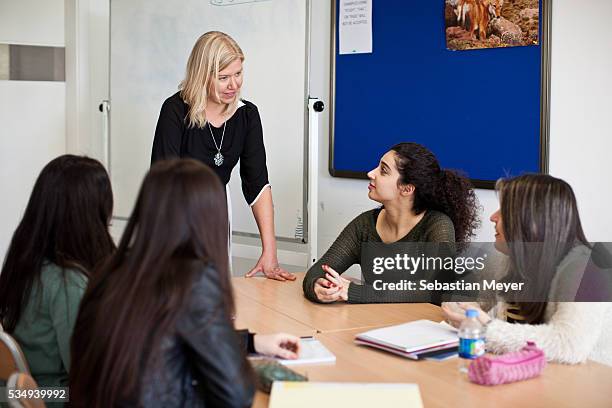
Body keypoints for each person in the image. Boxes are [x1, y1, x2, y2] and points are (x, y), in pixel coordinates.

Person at [69, 159, 301, 408]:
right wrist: (255, 372)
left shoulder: (111, 268)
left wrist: (252, 343)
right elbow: (236, 396)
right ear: (208, 218)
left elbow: (165, 338)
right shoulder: (194, 279)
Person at [151, 30, 294, 281]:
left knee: (215, 292)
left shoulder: (247, 115)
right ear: (202, 76)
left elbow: (258, 183)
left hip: (217, 208)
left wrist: (269, 251)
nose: (234, 85)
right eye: (223, 77)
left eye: (238, 74)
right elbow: (164, 184)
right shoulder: (174, 111)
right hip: (175, 213)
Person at [442, 174, 612, 366]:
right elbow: (477, 306)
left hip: (583, 383)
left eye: (504, 210)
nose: (493, 217)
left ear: (532, 220)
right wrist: (461, 311)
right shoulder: (508, 258)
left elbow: (569, 344)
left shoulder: (586, 269)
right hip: (529, 373)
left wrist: (487, 330)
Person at [303, 142, 480, 304]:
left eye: (383, 170)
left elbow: (434, 288)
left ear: (407, 188)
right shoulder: (364, 225)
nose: (370, 173)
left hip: (422, 330)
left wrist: (355, 291)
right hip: (375, 326)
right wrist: (318, 288)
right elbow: (317, 271)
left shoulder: (438, 225)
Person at [0, 155, 116, 389]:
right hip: (54, 397)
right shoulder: (68, 284)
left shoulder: (26, 264)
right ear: (88, 217)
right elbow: (86, 374)